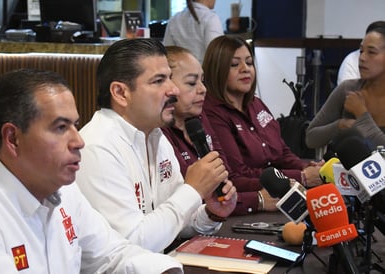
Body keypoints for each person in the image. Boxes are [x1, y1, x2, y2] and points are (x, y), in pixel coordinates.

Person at [0, 68, 183, 273]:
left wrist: (165, 270)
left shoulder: (63, 189)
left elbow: (113, 255)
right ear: (12, 138)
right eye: (61, 128)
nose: (79, 141)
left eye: (75, 125)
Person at [76, 38, 237, 253]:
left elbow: (175, 223)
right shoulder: (97, 147)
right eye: (159, 81)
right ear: (121, 93)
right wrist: (192, 190)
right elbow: (133, 244)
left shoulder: (156, 137)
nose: (174, 90)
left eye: (170, 78)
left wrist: (211, 212)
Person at [162, 45, 278, 215]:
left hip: (208, 220)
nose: (203, 89)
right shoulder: (161, 133)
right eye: (192, 83)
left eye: (203, 81)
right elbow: (190, 198)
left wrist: (281, 183)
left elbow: (225, 179)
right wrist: (257, 199)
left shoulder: (199, 119)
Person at [202, 35, 324, 188]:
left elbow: (282, 152)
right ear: (217, 69)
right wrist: (300, 177)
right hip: (255, 196)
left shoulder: (256, 103)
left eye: (249, 62)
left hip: (281, 187)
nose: (245, 69)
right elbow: (238, 174)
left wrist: (304, 167)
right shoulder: (212, 114)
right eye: (234, 64)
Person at [306, 21, 385, 149]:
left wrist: (361, 115)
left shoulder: (356, 104)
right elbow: (311, 138)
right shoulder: (348, 89)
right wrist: (339, 125)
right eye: (361, 51)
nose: (362, 58)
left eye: (371, 52)